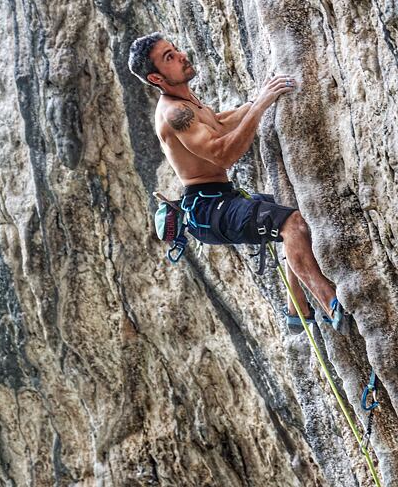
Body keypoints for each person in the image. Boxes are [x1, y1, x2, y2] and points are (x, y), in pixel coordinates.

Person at [128, 32, 347, 333]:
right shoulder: (174, 113)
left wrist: (259, 98)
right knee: (291, 224)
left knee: (289, 216)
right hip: (208, 210)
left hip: (219, 198)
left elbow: (218, 123)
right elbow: (223, 154)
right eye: (169, 57)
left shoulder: (187, 101)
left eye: (175, 49)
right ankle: (332, 304)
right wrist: (260, 106)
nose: (181, 55)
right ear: (155, 78)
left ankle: (296, 307)